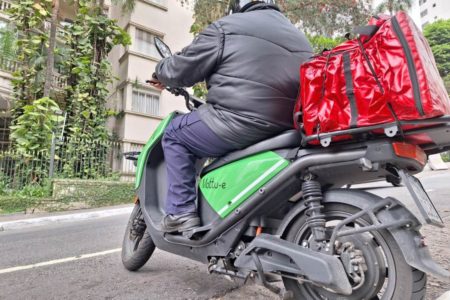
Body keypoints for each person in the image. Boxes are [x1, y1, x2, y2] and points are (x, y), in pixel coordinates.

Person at [150, 0, 312, 233]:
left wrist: (161, 71)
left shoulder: (226, 27)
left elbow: (180, 70)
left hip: (235, 122)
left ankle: (180, 212)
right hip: (288, 129)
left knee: (175, 133)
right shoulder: (300, 38)